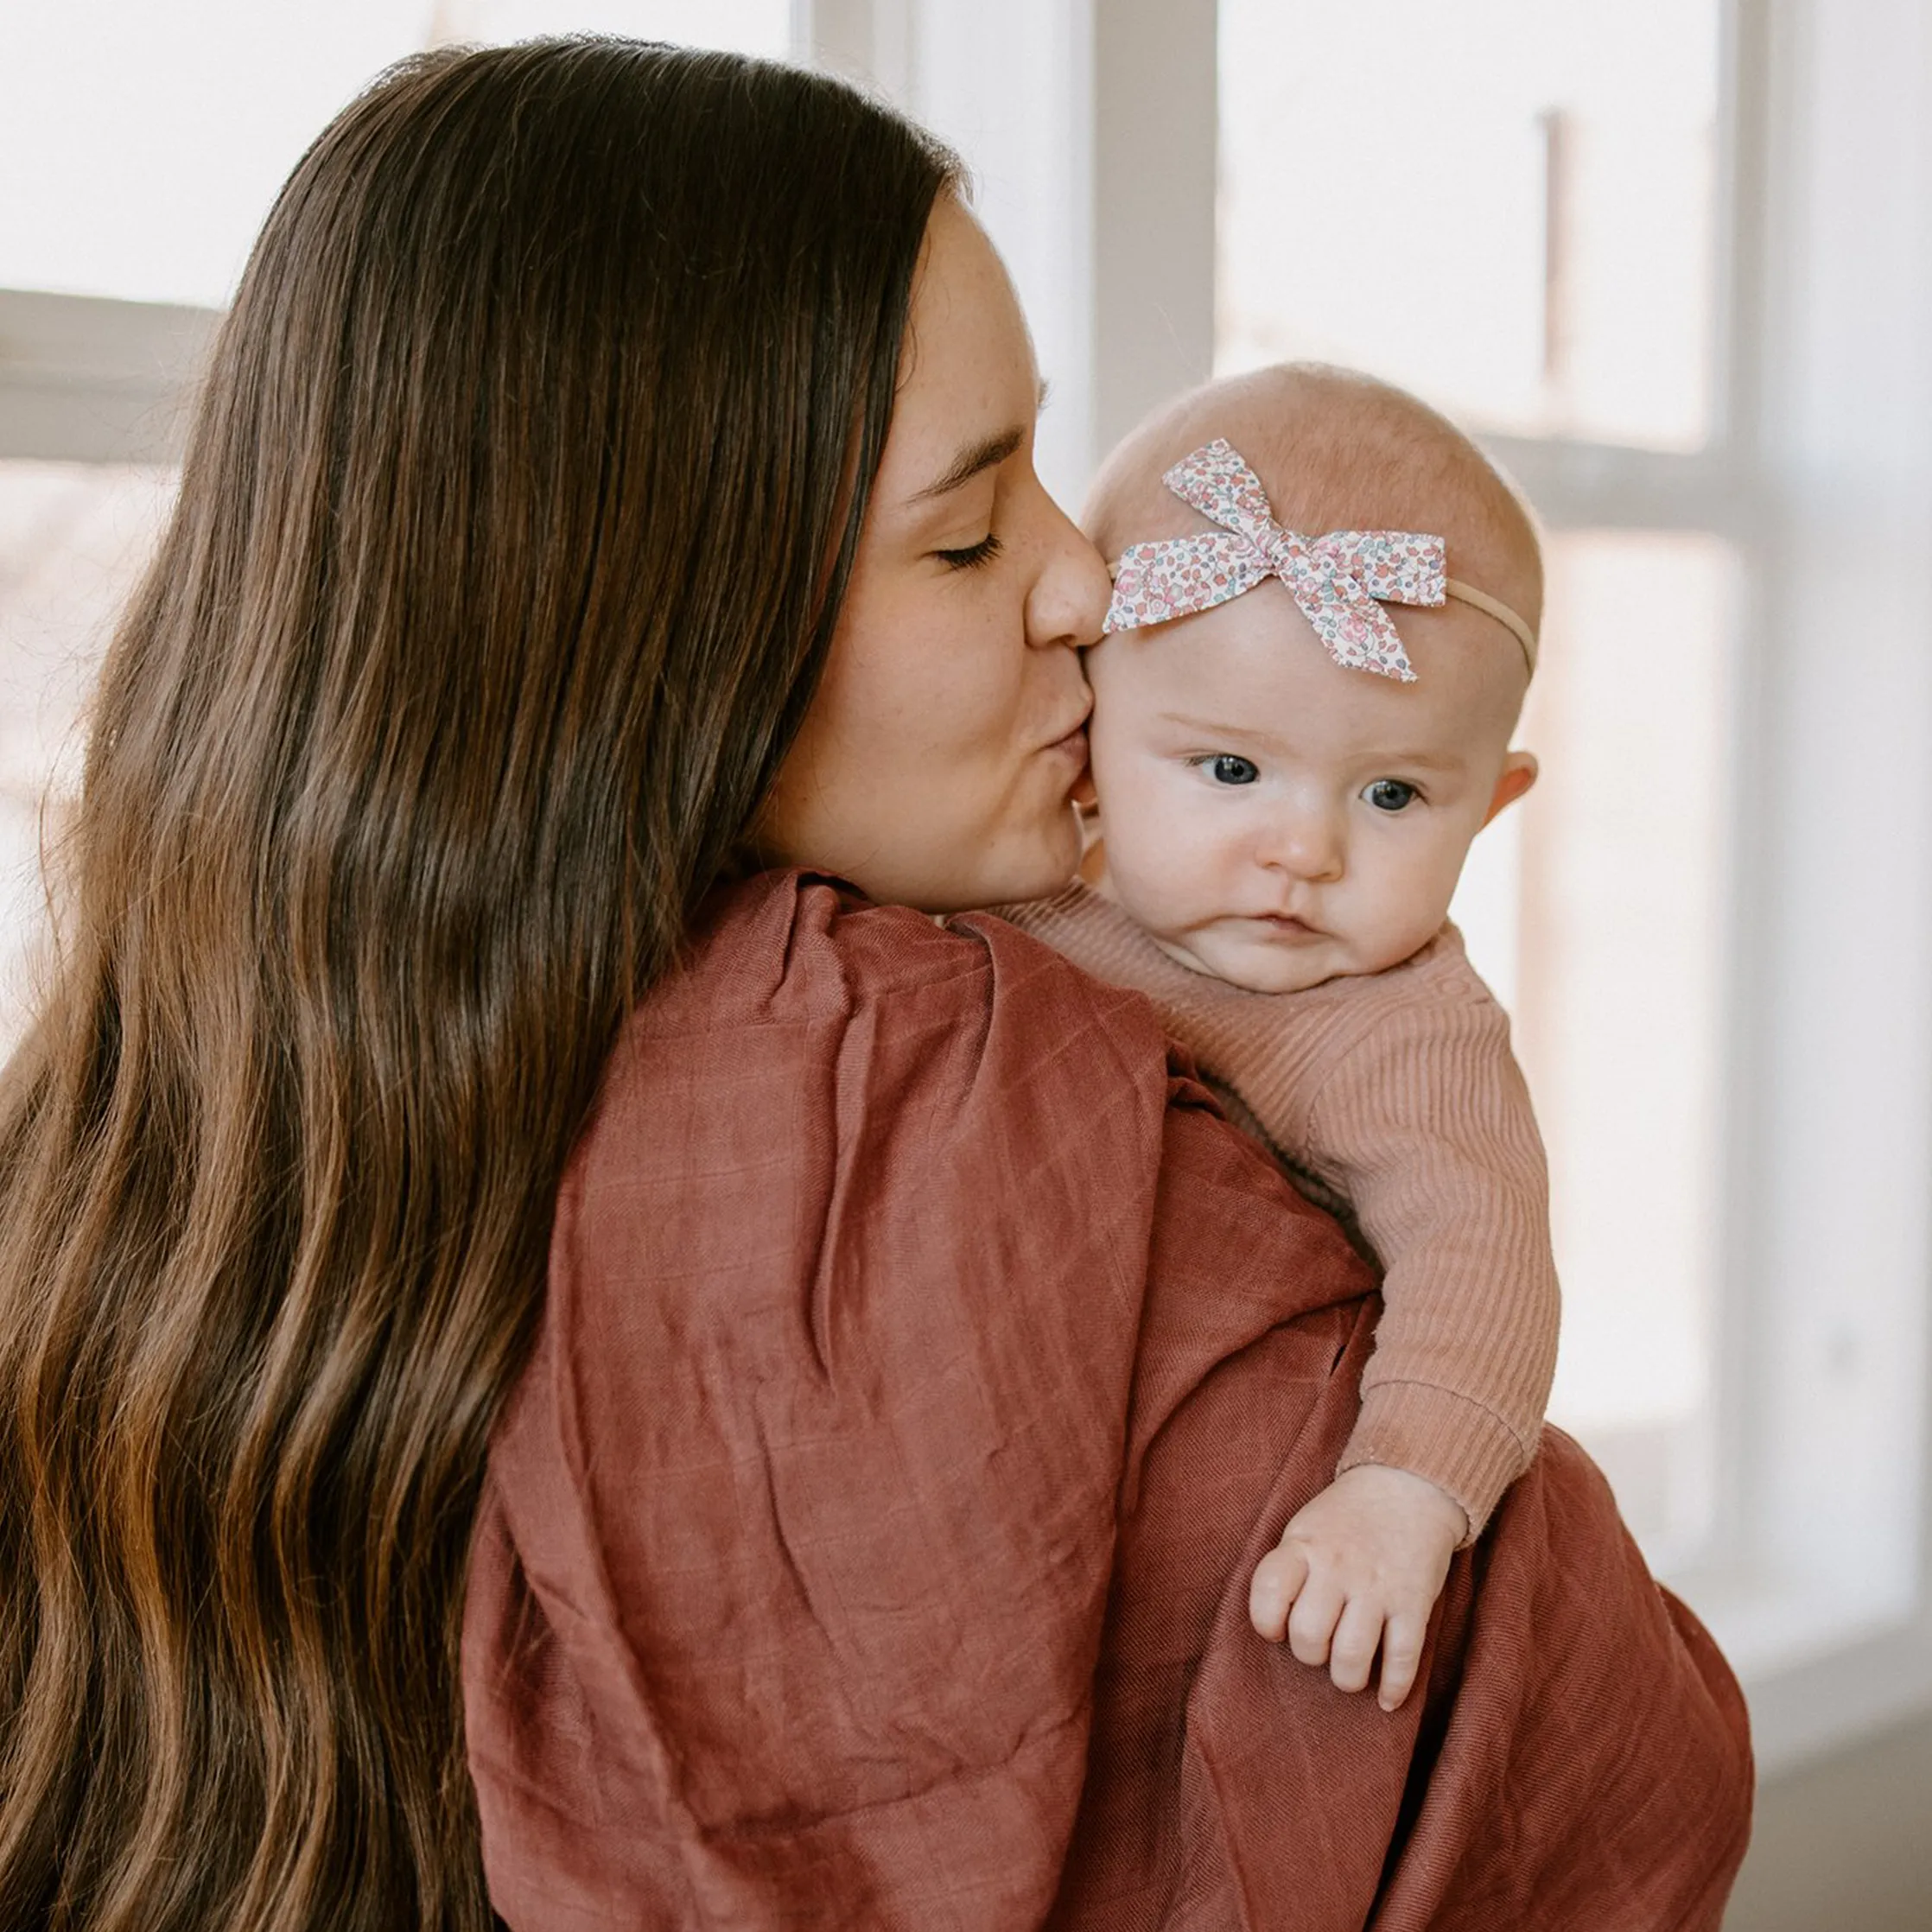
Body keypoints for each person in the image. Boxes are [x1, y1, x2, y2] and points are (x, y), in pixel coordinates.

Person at [0, 38, 1750, 1932]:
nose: (1089, 584)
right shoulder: (897, 1090)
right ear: (649, 627)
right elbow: (1599, 1738)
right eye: (972, 524)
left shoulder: (163, 1129)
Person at [1001, 365, 1557, 1714]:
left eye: (1391, 792)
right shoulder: (1018, 881)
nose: (1302, 850)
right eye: (1232, 771)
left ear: (1491, 806)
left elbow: (1481, 1257)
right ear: (1085, 742)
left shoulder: (1403, 1032)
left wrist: (1401, 1488)